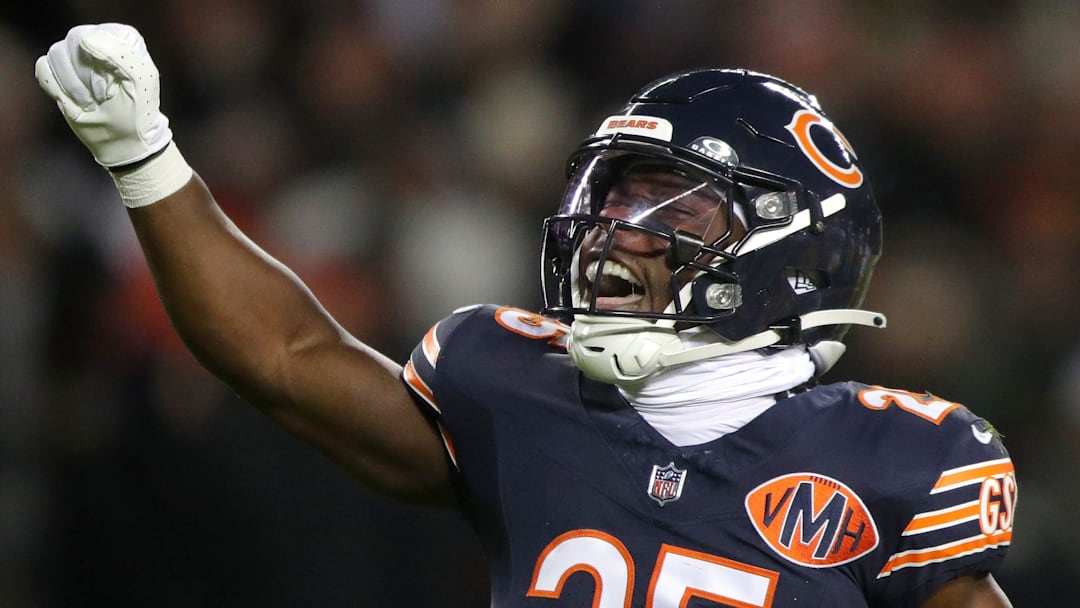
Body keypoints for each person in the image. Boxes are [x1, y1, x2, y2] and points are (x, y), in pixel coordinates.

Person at [35, 23, 1016, 607]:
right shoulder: (517, 388)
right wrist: (144, 155)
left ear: (788, 245)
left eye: (674, 204)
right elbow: (286, 355)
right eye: (617, 195)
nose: (618, 229)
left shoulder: (895, 461)